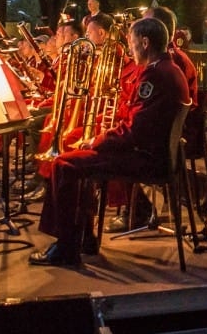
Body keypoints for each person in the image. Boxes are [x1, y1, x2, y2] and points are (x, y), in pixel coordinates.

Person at [29, 17, 188, 267]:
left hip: (145, 157)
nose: (130, 47)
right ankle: (84, 237)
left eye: (132, 42)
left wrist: (96, 140)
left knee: (64, 164)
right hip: (149, 152)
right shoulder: (164, 70)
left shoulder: (155, 75)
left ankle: (66, 247)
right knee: (73, 160)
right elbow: (134, 118)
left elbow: (133, 132)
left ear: (145, 42)